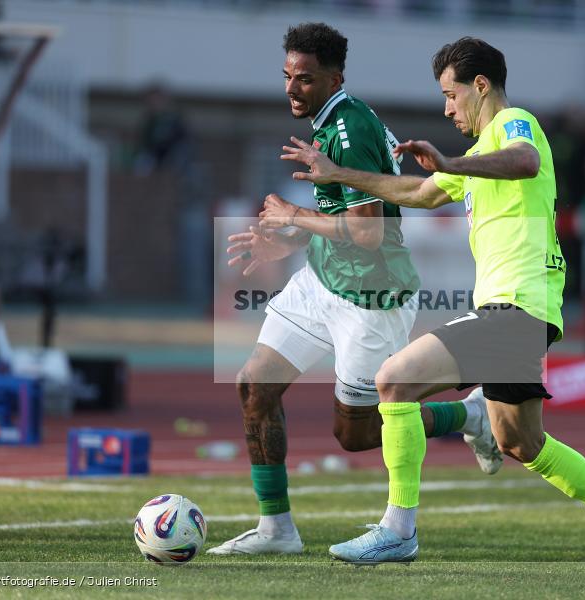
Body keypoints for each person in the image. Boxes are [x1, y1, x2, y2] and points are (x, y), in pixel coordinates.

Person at [282, 37, 585, 568]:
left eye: (450, 94)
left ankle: (399, 530)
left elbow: (526, 161)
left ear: (479, 86)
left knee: (393, 380)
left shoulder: (512, 125)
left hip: (515, 306)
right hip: (524, 311)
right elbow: (417, 194)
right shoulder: (479, 157)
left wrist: (453, 160)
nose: (446, 107)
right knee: (520, 442)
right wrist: (339, 173)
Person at [209, 23, 500, 557]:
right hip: (321, 281)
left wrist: (295, 216)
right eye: (288, 77)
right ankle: (277, 529)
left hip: (371, 298)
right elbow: (340, 212)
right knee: (255, 386)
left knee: (357, 434)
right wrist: (290, 241)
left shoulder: (348, 129)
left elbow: (368, 234)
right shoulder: (329, 123)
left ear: (334, 78)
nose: (293, 89)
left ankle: (471, 416)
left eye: (306, 79)